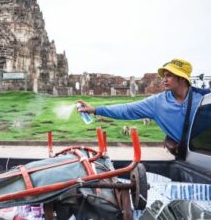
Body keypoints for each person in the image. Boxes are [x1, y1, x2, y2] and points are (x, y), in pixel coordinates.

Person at [77, 58, 210, 158]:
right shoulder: (157, 103)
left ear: (182, 79)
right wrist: (95, 110)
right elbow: (127, 109)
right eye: (164, 76)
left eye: (169, 75)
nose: (164, 79)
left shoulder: (203, 99)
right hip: (185, 158)